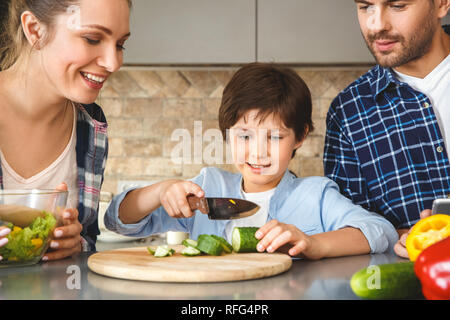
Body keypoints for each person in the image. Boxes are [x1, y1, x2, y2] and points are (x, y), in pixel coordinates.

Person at [105, 63, 398, 259]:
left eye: (274, 137)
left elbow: (380, 231)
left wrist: (315, 243)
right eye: (244, 137)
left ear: (299, 137)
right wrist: (160, 191)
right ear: (227, 134)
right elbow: (118, 220)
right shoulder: (206, 188)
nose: (258, 153)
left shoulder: (316, 195)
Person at [0, 0, 132, 261]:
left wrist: (75, 243)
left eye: (120, 44)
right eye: (92, 38)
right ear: (35, 30)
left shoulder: (91, 125)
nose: (113, 63)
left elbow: (87, 238)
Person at [323, 0, 449, 258]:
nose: (376, 24)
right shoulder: (349, 113)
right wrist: (409, 236)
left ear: (441, 4)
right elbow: (355, 228)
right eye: (365, 6)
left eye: (398, 5)